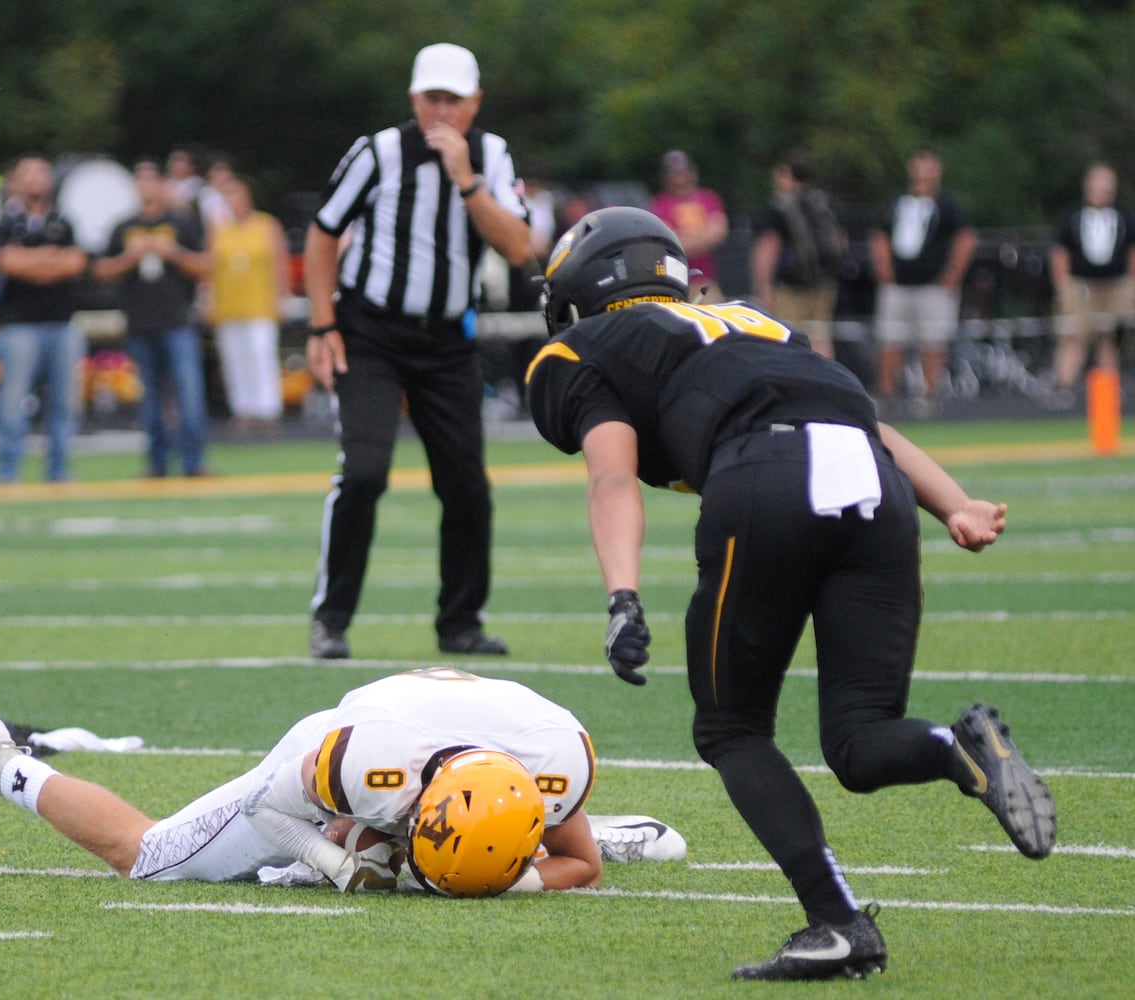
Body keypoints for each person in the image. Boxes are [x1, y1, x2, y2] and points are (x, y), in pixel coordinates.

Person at [525, 207, 1056, 980]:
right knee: (857, 738)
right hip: (875, 489)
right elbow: (863, 423)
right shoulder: (754, 323)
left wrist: (623, 596)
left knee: (731, 728)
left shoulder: (583, 346)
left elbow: (611, 474)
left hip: (765, 475)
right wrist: (955, 504)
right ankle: (954, 748)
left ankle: (838, 923)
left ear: (584, 285)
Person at [0, 667, 686, 894]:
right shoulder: (361, 765)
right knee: (150, 857)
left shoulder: (556, 765)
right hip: (319, 758)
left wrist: (514, 880)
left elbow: (577, 862)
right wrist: (335, 861)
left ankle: (477, 848)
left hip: (440, 766)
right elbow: (270, 806)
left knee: (419, 868)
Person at [303, 42, 532, 659]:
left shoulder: (490, 155)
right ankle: (331, 619)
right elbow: (323, 234)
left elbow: (518, 247)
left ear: (474, 103)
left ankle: (460, 623)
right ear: (413, 98)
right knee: (366, 472)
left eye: (453, 99)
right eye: (431, 97)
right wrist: (323, 325)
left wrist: (466, 180)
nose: (441, 110)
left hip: (447, 341)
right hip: (370, 333)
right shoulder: (378, 151)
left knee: (466, 485)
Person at [93, 158, 213, 477]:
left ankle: (193, 462)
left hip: (176, 320)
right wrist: (130, 257)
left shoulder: (181, 222)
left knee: (188, 394)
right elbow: (101, 271)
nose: (146, 187)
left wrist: (172, 252)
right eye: (141, 181)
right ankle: (156, 462)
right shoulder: (122, 226)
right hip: (140, 323)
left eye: (152, 180)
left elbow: (205, 267)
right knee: (150, 398)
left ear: (161, 185)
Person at [0, 155, 89, 483]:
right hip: (20, 325)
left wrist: (31, 262)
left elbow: (75, 263)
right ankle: (8, 470)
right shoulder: (7, 222)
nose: (35, 179)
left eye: (40, 172)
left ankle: (59, 470)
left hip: (61, 322)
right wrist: (49, 260)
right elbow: (8, 263)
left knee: (64, 402)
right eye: (28, 173)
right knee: (13, 402)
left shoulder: (63, 221)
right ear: (15, 181)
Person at [870, 147, 977, 416]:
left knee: (933, 342)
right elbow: (880, 234)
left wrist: (953, 272)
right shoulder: (897, 203)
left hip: (933, 286)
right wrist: (883, 267)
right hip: (898, 285)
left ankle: (929, 395)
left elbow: (965, 238)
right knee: (890, 340)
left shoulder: (948, 205)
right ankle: (887, 394)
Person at [208, 175, 290, 433]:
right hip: (229, 305)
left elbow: (280, 262)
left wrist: (282, 295)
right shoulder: (218, 229)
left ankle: (267, 409)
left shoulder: (266, 225)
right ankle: (242, 408)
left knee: (261, 355)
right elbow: (210, 268)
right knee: (234, 359)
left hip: (259, 304)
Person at [1048, 161, 1134, 405]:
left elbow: (1131, 253)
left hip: (1115, 284)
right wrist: (1063, 286)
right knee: (1074, 335)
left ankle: (1109, 390)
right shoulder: (1073, 215)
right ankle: (1063, 387)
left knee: (1111, 336)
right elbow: (1060, 253)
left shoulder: (1124, 215)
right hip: (1081, 285)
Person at [749, 150, 845, 358]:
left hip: (789, 287)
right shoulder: (822, 203)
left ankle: (793, 386)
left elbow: (768, 247)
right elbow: (839, 243)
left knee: (787, 337)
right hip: (823, 283)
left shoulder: (779, 208)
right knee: (820, 338)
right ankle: (826, 382)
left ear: (787, 174)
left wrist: (763, 288)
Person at [649, 150, 728, 302]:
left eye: (682, 171)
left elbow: (718, 232)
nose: (678, 177)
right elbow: (666, 240)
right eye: (673, 173)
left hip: (705, 281)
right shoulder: (660, 204)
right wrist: (701, 236)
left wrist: (684, 238)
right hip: (674, 282)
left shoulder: (708, 198)